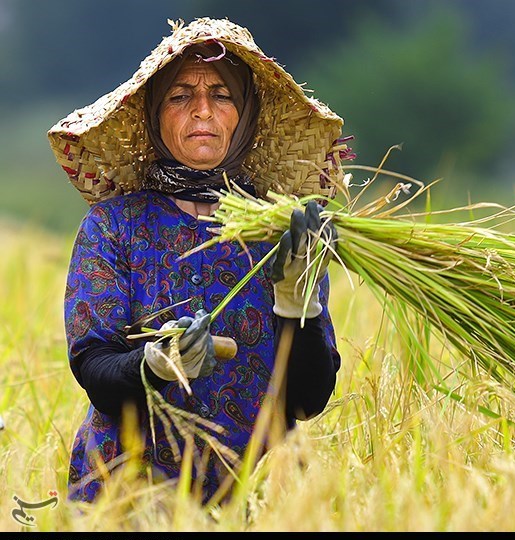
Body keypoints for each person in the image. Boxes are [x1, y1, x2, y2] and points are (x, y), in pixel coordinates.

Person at [47, 17, 354, 506]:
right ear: (156, 113)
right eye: (181, 95)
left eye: (222, 95)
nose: (203, 111)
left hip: (253, 497)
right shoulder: (115, 225)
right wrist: (156, 365)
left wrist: (299, 309)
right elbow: (95, 369)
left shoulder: (283, 230)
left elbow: (306, 399)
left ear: (245, 113)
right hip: (128, 497)